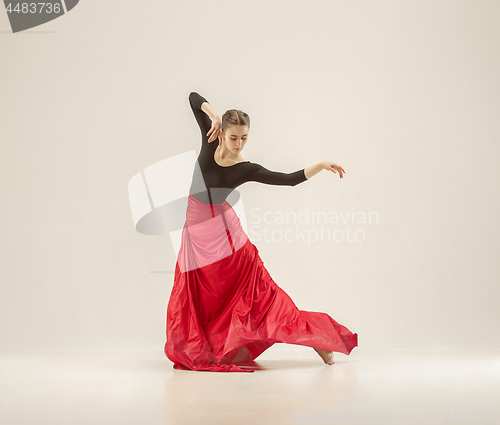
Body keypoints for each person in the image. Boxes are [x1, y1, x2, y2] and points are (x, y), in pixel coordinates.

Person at [164, 92, 358, 372]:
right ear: (222, 133)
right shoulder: (210, 137)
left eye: (244, 138)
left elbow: (289, 180)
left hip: (226, 242)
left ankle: (319, 338)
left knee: (262, 301)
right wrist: (213, 115)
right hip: (195, 236)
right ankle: (216, 345)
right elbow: (193, 98)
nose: (239, 144)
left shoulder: (245, 168)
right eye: (234, 138)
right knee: (200, 300)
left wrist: (319, 166)